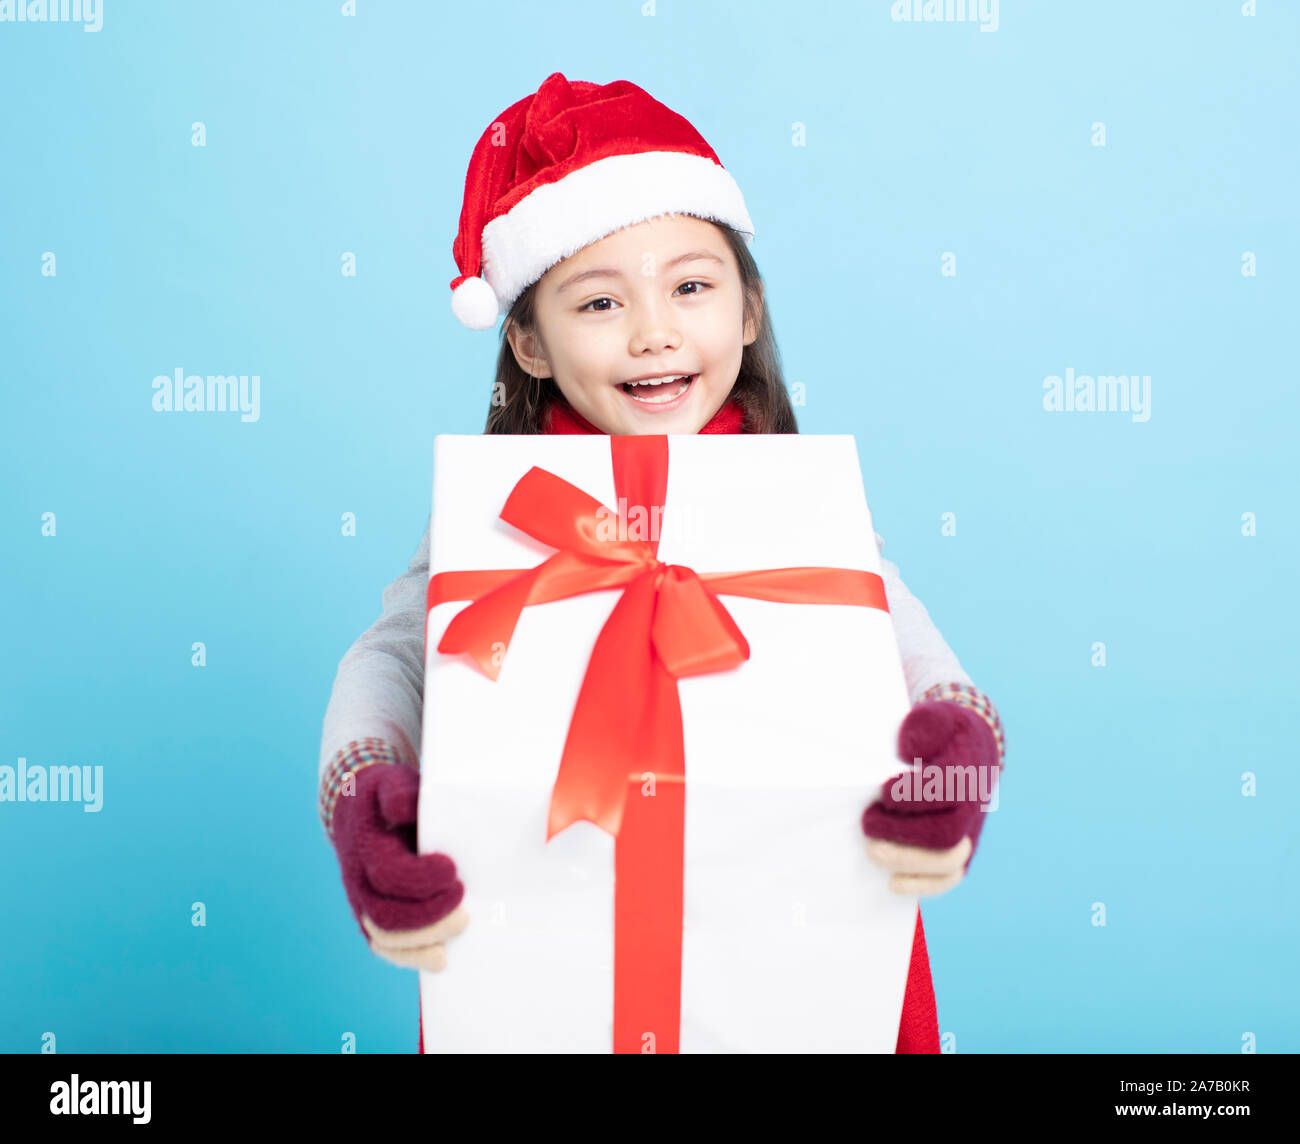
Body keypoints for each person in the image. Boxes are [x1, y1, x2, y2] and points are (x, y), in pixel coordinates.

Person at [318, 72, 1005, 1054]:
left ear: (749, 312)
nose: (654, 331)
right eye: (598, 301)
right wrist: (367, 786)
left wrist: (955, 745)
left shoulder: (792, 496)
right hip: (548, 950)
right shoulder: (507, 509)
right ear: (529, 341)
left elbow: (888, 627)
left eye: (691, 286)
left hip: (798, 956)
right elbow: (393, 654)